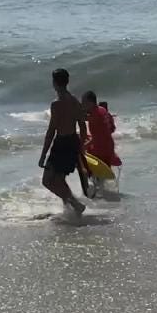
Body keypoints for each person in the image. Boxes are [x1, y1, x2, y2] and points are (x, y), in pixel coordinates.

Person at [37, 68, 87, 216]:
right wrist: (81, 145)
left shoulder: (56, 104)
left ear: (54, 83)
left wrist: (43, 155)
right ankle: (70, 209)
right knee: (60, 179)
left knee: (47, 181)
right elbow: (83, 125)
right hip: (72, 142)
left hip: (61, 143)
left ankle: (75, 204)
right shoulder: (75, 101)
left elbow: (51, 131)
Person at [82, 91, 121, 168]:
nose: (83, 105)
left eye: (84, 103)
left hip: (101, 150)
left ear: (90, 103)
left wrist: (84, 146)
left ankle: (88, 175)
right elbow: (112, 128)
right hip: (109, 147)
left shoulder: (95, 116)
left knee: (79, 153)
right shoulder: (102, 110)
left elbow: (98, 137)